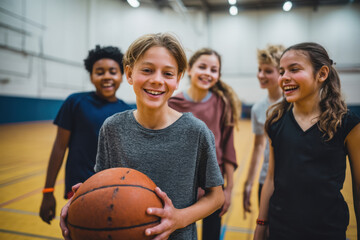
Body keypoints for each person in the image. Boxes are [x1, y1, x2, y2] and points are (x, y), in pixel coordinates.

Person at [60, 33, 225, 240]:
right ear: (129, 74)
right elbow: (103, 187)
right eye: (147, 70)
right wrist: (80, 203)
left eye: (167, 73)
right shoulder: (112, 128)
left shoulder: (196, 132)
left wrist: (179, 218)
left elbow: (216, 196)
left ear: (178, 79)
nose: (156, 80)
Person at [254, 42, 360, 240]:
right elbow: (271, 178)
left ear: (321, 74)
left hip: (328, 232)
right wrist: (261, 225)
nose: (284, 77)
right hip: (280, 230)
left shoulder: (347, 124)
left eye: (294, 69)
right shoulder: (275, 122)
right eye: (282, 71)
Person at [39, 45, 132, 224]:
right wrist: (47, 191)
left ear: (122, 75)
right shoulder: (75, 102)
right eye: (99, 72)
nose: (106, 76)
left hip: (114, 191)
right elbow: (59, 148)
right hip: (79, 188)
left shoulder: (127, 111)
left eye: (113, 71)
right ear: (91, 75)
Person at [168, 48, 240, 240]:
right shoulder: (172, 103)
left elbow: (228, 149)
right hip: (180, 185)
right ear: (189, 69)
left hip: (213, 185)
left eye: (213, 69)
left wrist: (229, 190)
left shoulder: (222, 104)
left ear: (218, 75)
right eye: (202, 67)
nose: (208, 73)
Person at [243, 45, 285, 217]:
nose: (261, 75)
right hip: (266, 180)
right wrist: (249, 183)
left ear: (281, 72)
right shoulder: (258, 108)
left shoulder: (293, 104)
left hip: (292, 182)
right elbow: (258, 148)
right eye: (259, 70)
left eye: (268, 71)